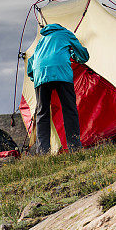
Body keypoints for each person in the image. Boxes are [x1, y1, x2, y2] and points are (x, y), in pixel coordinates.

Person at [26, 23, 89, 154]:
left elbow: (31, 62)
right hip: (61, 73)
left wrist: (35, 77)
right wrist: (75, 54)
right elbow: (83, 56)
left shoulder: (42, 40)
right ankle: (74, 147)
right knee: (69, 110)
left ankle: (43, 151)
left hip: (40, 75)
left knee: (42, 113)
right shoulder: (66, 33)